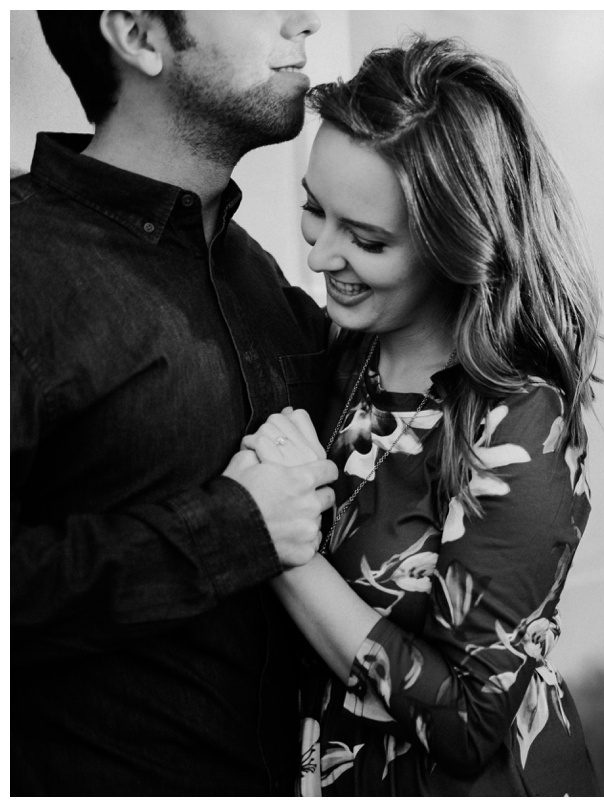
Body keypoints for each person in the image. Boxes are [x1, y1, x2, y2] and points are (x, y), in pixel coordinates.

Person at [237, 36, 602, 795]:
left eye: (366, 239)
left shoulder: (518, 426)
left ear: (453, 245)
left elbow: (469, 722)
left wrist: (282, 549)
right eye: (314, 211)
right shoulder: (338, 355)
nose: (320, 256)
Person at [11, 11, 337, 795]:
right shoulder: (18, 276)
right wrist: (230, 531)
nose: (305, 19)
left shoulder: (255, 273)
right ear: (139, 35)